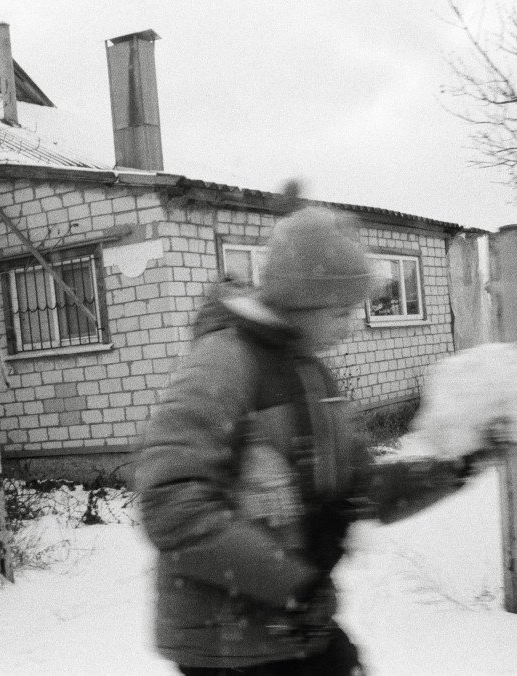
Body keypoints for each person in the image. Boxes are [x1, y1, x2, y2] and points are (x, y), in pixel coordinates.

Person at [135, 206, 494, 675]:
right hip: (228, 639)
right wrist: (293, 585)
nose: (349, 326)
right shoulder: (224, 363)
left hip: (290, 626)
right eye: (341, 311)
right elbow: (171, 502)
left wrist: (454, 468)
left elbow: (354, 490)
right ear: (301, 302)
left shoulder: (313, 375)